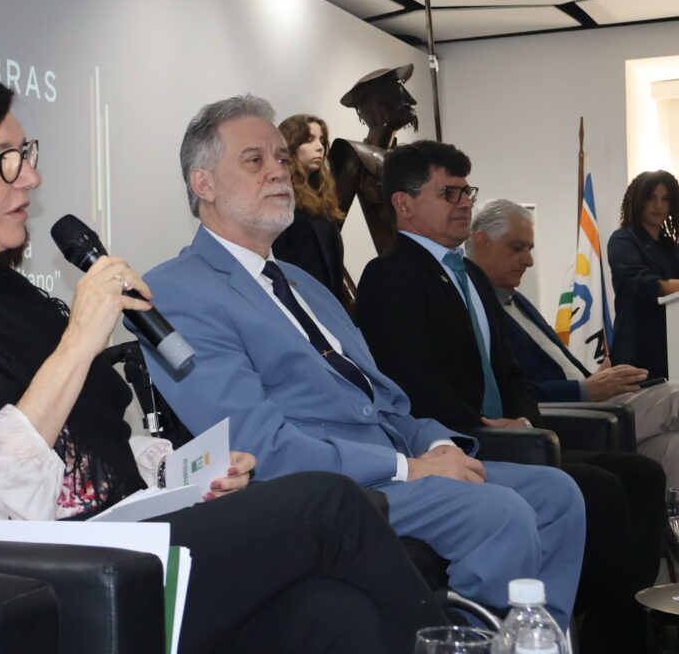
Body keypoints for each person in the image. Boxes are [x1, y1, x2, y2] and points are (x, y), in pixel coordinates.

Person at [0, 61, 450, 654]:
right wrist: (79, 342)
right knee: (331, 505)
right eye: (5, 158)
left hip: (110, 551)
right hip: (20, 587)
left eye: (26, 153)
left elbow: (89, 452)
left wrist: (185, 476)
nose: (31, 175)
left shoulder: (4, 296)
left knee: (333, 615)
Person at [137, 93, 584, 632]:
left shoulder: (305, 285)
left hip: (396, 463)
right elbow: (258, 443)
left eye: (281, 157)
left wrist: (433, 443)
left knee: (558, 495)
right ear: (202, 184)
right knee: (501, 515)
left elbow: (383, 401)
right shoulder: (174, 291)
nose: (279, 171)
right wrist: (409, 467)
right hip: (318, 488)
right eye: (254, 160)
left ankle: (536, 644)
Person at [354, 141, 665, 653]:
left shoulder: (472, 274)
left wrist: (521, 418)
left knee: (640, 474)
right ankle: (591, 637)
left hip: (512, 436)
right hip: (457, 441)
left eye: (466, 191)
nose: (462, 202)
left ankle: (615, 629)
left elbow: (512, 373)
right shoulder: (389, 276)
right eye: (447, 191)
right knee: (602, 490)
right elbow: (411, 383)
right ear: (403, 204)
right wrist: (479, 423)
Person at [468, 198, 679, 489]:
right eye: (518, 248)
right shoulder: (476, 310)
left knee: (673, 447)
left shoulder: (516, 300)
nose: (529, 260)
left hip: (597, 403)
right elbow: (514, 391)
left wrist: (594, 378)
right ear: (481, 242)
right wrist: (585, 389)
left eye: (530, 249)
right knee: (676, 396)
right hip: (567, 413)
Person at [328, 65, 418, 255]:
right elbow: (329, 228)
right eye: (396, 92)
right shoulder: (355, 153)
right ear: (377, 104)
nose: (409, 100)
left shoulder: (407, 158)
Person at [271, 114, 351, 308]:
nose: (320, 147)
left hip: (329, 304)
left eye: (322, 140)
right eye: (309, 140)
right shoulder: (278, 198)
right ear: (290, 145)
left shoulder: (323, 200)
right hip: (300, 306)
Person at [608, 170, 679, 379]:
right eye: (651, 198)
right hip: (636, 350)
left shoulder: (670, 246)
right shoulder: (622, 240)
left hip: (671, 349)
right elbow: (645, 284)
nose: (658, 205)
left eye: (665, 199)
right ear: (638, 200)